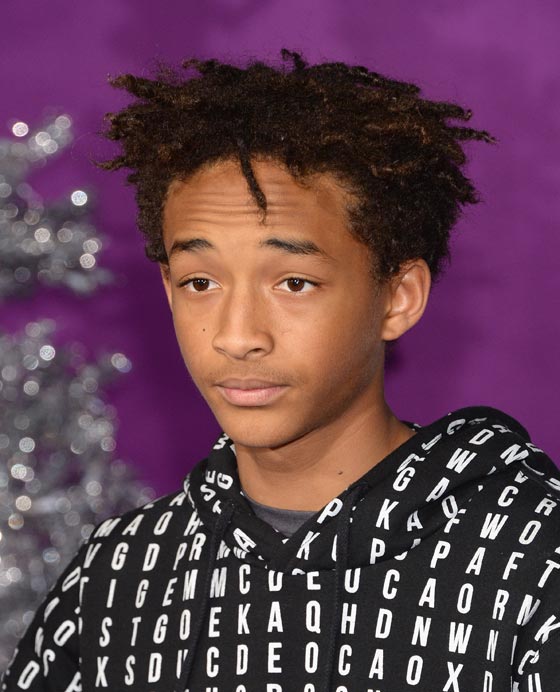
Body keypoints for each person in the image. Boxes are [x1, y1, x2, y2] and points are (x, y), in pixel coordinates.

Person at [2, 50, 560, 692]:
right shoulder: (117, 575)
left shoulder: (534, 558)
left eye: (294, 282)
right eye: (200, 282)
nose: (238, 336)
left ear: (397, 297)